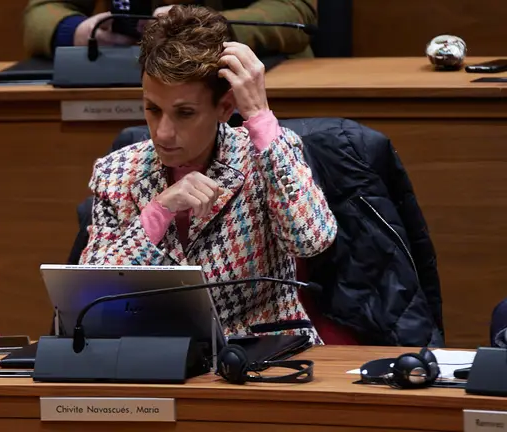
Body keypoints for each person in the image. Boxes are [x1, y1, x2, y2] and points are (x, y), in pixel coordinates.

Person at [78, 5, 336, 344]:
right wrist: (157, 213)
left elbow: (311, 240)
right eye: (153, 109)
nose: (163, 133)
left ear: (225, 107)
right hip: (161, 356)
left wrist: (259, 115)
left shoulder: (266, 153)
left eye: (185, 113)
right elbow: (90, 297)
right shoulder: (116, 172)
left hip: (266, 353)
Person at [23, 0, 317, 59]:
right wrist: (76, 31)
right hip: (131, 73)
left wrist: (209, 27)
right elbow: (41, 12)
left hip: (248, 74)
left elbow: (295, 11)